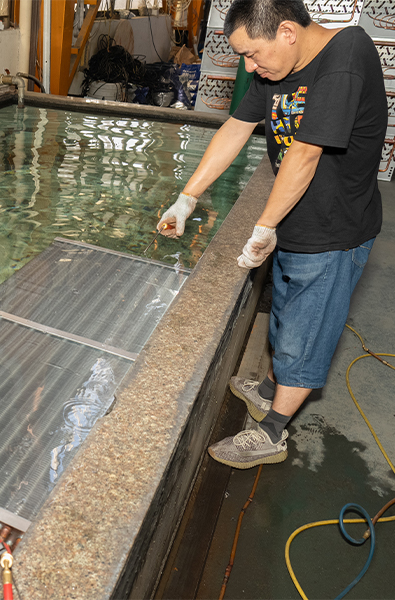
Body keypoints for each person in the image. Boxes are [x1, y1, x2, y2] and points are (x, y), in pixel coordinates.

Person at [156, 0, 387, 469]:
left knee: (307, 333)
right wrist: (187, 198)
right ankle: (268, 389)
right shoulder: (277, 66)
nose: (248, 67)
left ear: (286, 32)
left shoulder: (346, 57)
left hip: (334, 229)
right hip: (294, 218)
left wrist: (264, 225)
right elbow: (236, 129)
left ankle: (272, 432)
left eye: (252, 54)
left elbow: (304, 154)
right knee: (284, 315)